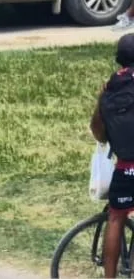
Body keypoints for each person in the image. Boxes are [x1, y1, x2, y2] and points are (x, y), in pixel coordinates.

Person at [90, 34, 134, 278]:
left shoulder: (110, 91)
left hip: (125, 168)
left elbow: (99, 133)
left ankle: (109, 276)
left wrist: (101, 98)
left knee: (116, 218)